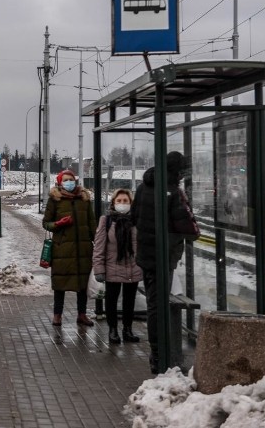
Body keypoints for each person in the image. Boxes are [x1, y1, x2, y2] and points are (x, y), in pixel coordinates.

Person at [132, 151, 200, 374]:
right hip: (164, 256)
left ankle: (156, 353)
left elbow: (134, 217)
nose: (182, 176)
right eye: (181, 171)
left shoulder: (143, 187)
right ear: (175, 171)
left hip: (145, 255)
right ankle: (160, 355)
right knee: (158, 305)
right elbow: (189, 228)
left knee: (154, 304)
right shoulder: (173, 193)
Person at [42, 169, 96, 327]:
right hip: (62, 250)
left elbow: (92, 223)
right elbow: (46, 223)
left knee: (82, 283)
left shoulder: (84, 199)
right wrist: (58, 224)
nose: (69, 182)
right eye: (65, 180)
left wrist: (97, 243)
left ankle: (82, 314)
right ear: (60, 183)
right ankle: (57, 315)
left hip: (83, 249)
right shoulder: (55, 200)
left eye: (71, 179)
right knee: (60, 283)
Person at [93, 188, 142, 345]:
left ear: (131, 203)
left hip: (133, 267)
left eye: (125, 201)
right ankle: (113, 330)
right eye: (119, 201)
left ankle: (127, 329)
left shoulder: (136, 221)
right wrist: (99, 269)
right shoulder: (106, 221)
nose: (122, 204)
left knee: (129, 300)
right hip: (112, 267)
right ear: (113, 203)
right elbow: (99, 247)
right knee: (112, 300)